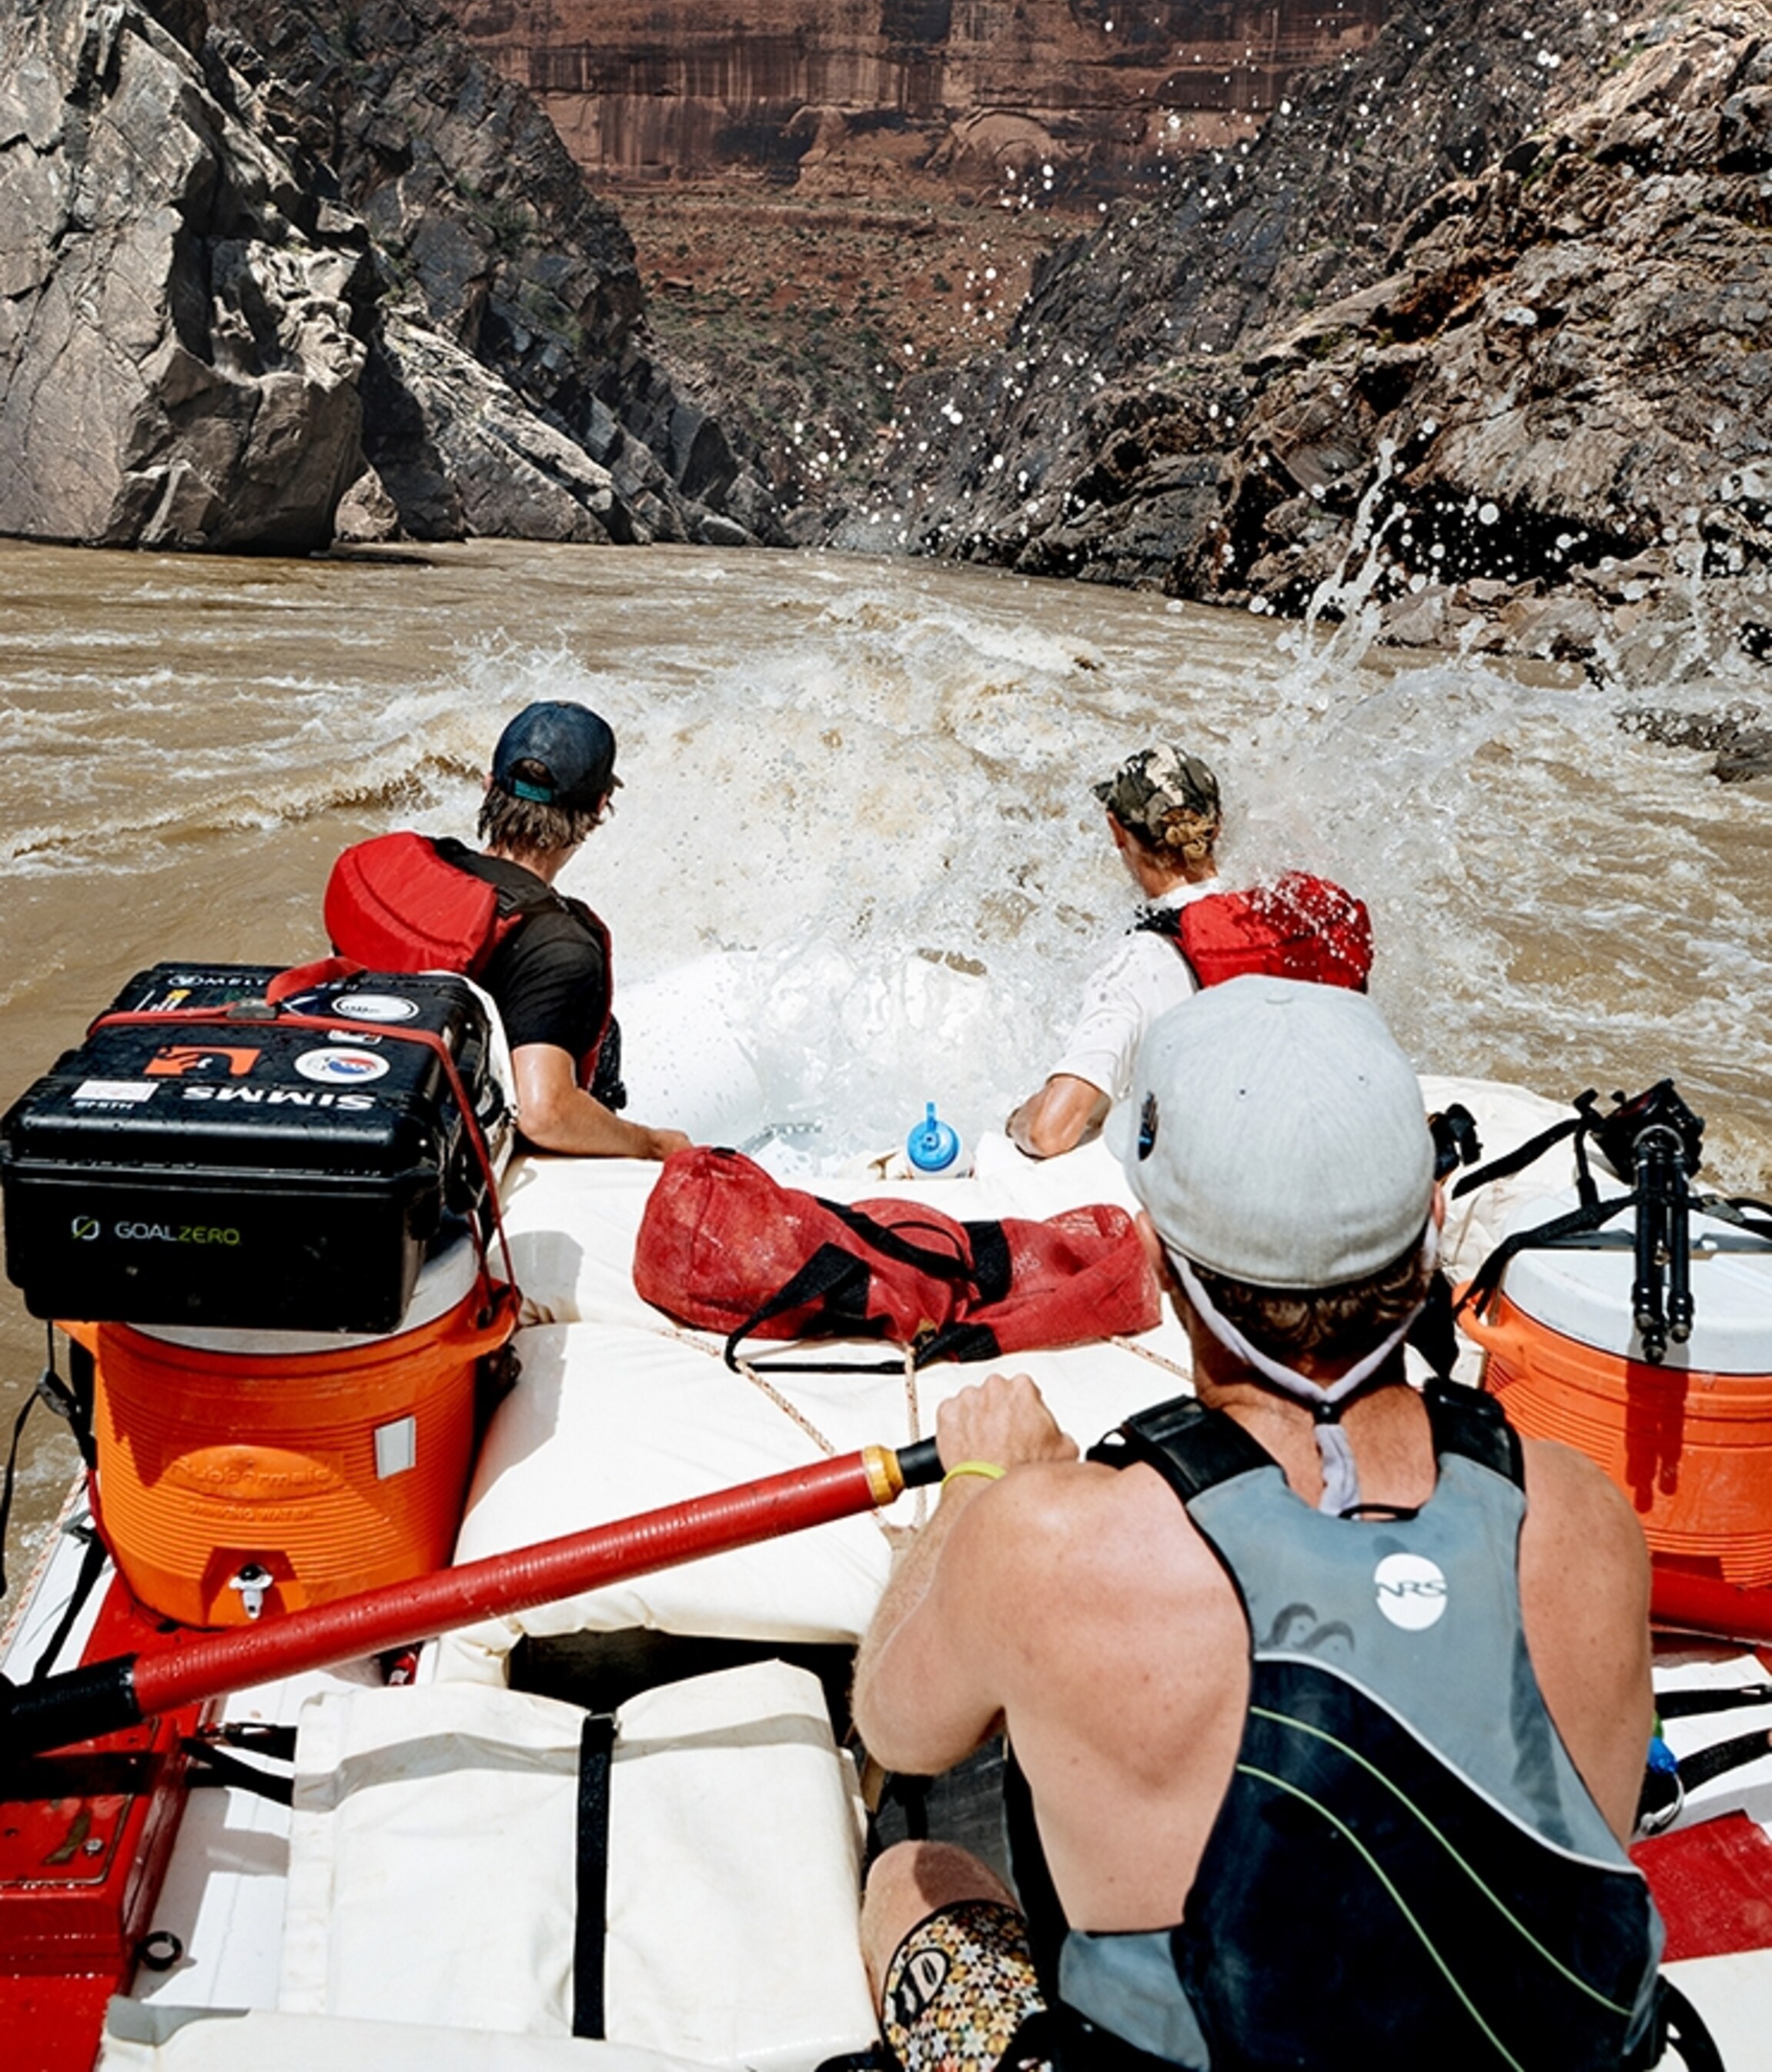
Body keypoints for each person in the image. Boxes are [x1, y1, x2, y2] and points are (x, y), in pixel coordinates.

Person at [856, 976, 1665, 2072]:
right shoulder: (1584, 1514)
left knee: (913, 1869)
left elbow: (894, 1728)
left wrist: (976, 1485)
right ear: (1432, 1230)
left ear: (1150, 1257)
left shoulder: (1041, 1540)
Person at [327, 700, 689, 1162]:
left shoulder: (403, 871)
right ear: (600, 807)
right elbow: (545, 1114)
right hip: (437, 1154)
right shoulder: (561, 946)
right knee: (605, 1037)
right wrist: (653, 1144)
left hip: (356, 1088)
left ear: (489, 785)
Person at [1007, 745, 1369, 1161]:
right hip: (1319, 1141)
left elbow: (1051, 1133)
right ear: (1217, 826)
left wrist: (1016, 1119)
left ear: (1116, 831)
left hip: (1225, 1174)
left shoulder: (1138, 962)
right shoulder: (1276, 921)